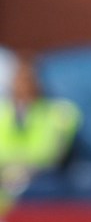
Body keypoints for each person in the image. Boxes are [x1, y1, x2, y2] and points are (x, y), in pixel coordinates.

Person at [0, 53, 81, 208]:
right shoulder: (3, 113)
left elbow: (49, 154)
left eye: (29, 79)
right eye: (19, 78)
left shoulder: (59, 114)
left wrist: (20, 163)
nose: (23, 85)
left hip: (44, 188)